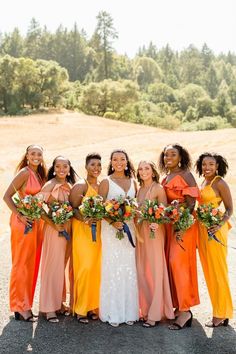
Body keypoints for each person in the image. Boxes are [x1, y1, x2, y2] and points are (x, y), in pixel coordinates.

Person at [3, 145, 47, 321]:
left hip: (36, 222)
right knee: (21, 264)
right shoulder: (24, 173)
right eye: (33, 154)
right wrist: (20, 215)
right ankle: (19, 306)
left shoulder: (39, 175)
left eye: (39, 154)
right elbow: (6, 196)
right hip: (23, 224)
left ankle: (25, 303)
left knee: (32, 264)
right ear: (27, 156)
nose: (36, 156)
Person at [159, 144, 200, 330]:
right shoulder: (164, 177)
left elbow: (191, 205)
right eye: (166, 155)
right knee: (170, 265)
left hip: (183, 227)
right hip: (169, 227)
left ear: (180, 157)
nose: (169, 157)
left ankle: (185, 310)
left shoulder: (186, 175)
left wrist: (180, 222)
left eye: (173, 154)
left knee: (179, 264)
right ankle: (178, 306)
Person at [98, 149, 139, 327]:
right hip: (111, 229)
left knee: (129, 268)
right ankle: (112, 311)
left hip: (129, 228)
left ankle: (129, 311)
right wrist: (112, 222)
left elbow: (135, 207)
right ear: (111, 162)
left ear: (127, 161)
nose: (119, 162)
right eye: (115, 159)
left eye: (122, 159)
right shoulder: (106, 182)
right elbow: (99, 209)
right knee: (112, 267)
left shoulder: (134, 182)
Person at [195, 153, 233, 327]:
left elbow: (229, 209)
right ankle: (219, 310)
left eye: (211, 164)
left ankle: (222, 313)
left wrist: (219, 225)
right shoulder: (203, 182)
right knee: (209, 273)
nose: (207, 168)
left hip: (215, 231)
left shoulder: (219, 182)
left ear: (217, 166)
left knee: (218, 271)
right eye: (204, 164)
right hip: (202, 230)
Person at [135, 161, 174, 327]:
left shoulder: (158, 188)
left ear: (153, 171)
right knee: (142, 271)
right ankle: (145, 309)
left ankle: (156, 314)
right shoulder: (139, 189)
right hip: (140, 233)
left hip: (154, 232)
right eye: (141, 169)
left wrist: (157, 223)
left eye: (147, 168)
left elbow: (165, 212)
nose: (144, 171)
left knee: (156, 270)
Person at [39, 156, 77, 323]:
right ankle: (48, 308)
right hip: (54, 230)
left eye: (65, 166)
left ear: (69, 168)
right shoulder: (49, 185)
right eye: (58, 166)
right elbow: (38, 209)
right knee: (52, 267)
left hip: (68, 229)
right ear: (54, 168)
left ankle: (59, 303)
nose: (62, 169)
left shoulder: (70, 186)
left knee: (62, 266)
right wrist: (54, 225)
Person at [70, 153, 102, 324]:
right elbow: (73, 208)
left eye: (98, 165)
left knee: (96, 269)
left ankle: (92, 307)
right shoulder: (81, 185)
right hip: (83, 232)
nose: (96, 168)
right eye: (92, 165)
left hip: (99, 234)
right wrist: (84, 219)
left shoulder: (101, 185)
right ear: (86, 166)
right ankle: (80, 308)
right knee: (85, 268)